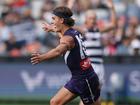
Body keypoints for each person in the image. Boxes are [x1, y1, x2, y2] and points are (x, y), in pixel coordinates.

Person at [31, 6, 101, 105]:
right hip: (78, 78)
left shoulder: (68, 38)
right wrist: (53, 29)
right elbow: (62, 35)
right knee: (55, 102)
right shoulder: (72, 32)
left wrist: (42, 57)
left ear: (61, 20)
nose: (52, 22)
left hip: (86, 80)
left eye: (54, 19)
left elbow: (58, 51)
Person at [66, 0, 116, 104]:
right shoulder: (82, 30)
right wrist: (69, 6)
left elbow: (113, 25)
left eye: (94, 18)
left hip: (100, 67)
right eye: (90, 18)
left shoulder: (98, 30)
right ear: (86, 20)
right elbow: (67, 24)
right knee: (86, 98)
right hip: (89, 67)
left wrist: (112, 8)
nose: (93, 20)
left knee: (96, 98)